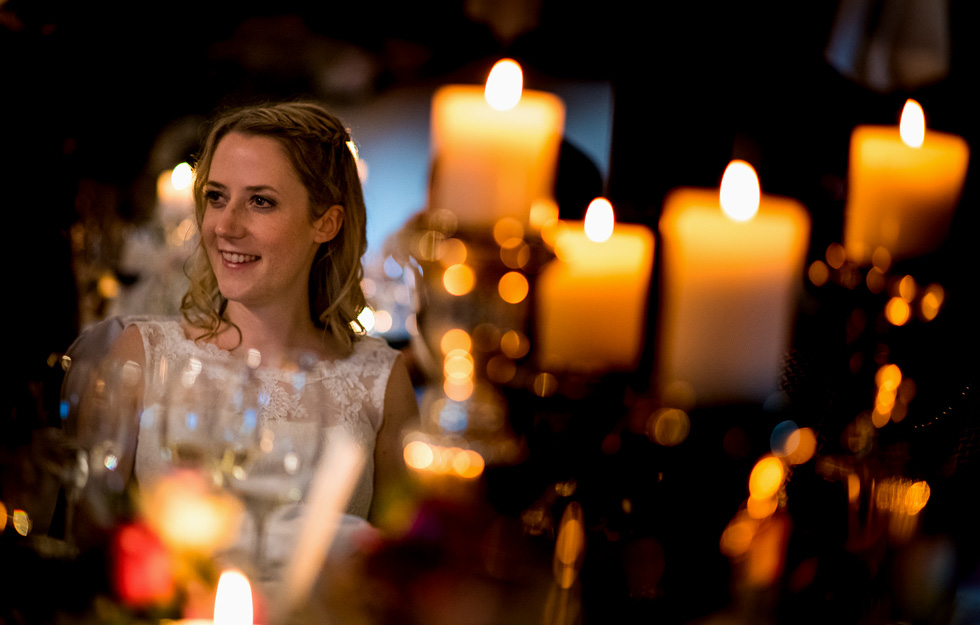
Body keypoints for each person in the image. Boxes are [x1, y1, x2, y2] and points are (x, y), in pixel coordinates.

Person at [70, 101, 419, 558]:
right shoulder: (142, 356)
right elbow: (87, 549)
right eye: (217, 197)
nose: (225, 226)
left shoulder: (381, 381)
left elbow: (405, 566)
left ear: (326, 222)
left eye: (260, 201)